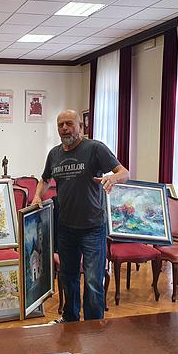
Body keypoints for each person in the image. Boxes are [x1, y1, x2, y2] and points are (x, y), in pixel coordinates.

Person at [33, 109, 129, 323]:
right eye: (60, 125)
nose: (64, 128)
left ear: (81, 127)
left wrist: (112, 179)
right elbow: (45, 180)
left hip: (92, 227)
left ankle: (93, 326)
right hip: (66, 228)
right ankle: (70, 320)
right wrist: (37, 196)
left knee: (93, 281)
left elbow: (124, 172)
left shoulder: (95, 148)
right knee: (69, 278)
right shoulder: (54, 154)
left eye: (69, 123)